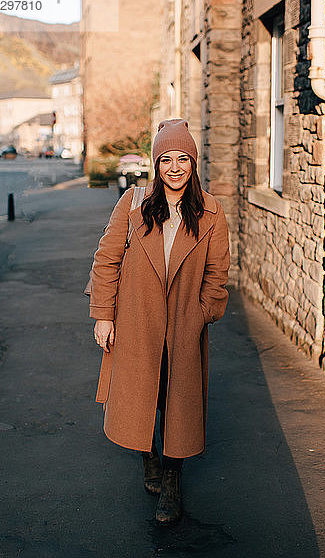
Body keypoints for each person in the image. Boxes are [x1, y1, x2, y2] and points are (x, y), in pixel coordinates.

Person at [89, 118, 230, 524]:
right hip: (137, 320)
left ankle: (171, 482)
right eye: (165, 158)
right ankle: (149, 454)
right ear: (156, 163)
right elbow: (106, 259)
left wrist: (203, 312)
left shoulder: (211, 212)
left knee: (178, 402)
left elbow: (217, 274)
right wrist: (103, 315)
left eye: (182, 158)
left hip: (185, 324)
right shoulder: (133, 204)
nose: (174, 167)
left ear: (193, 163)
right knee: (143, 393)